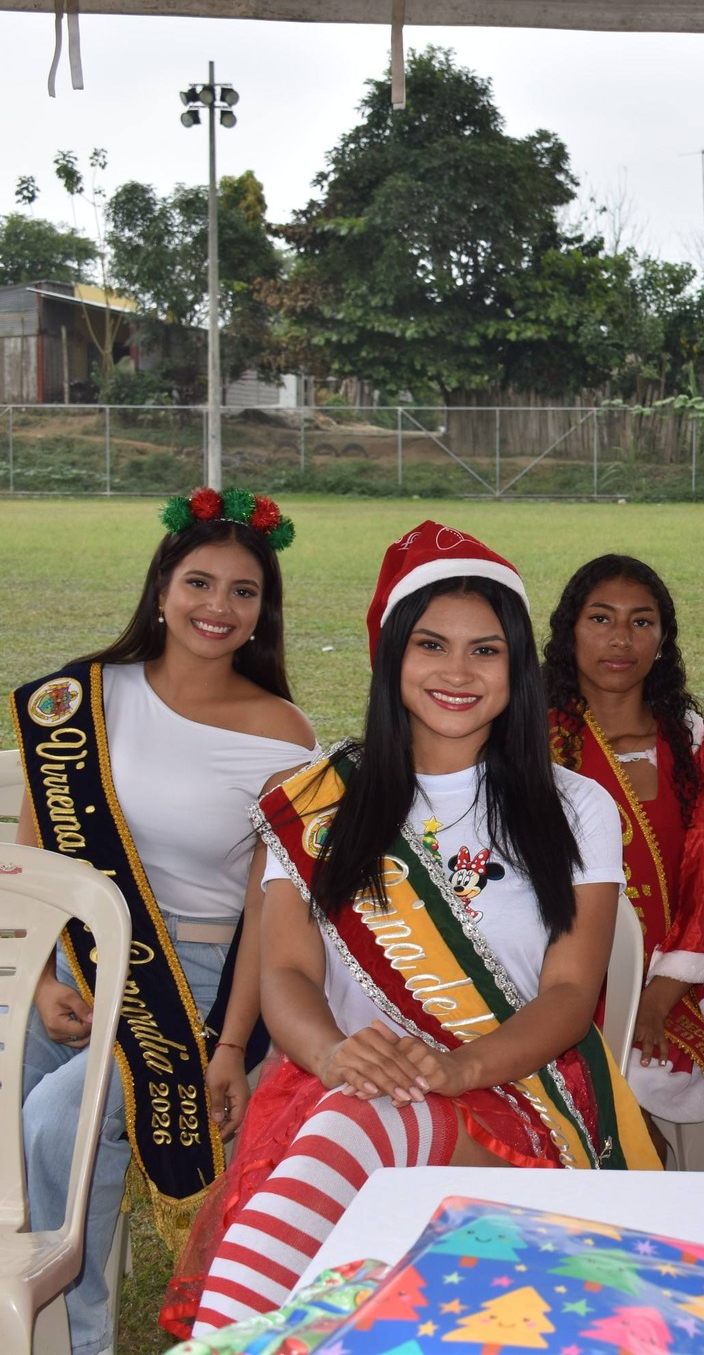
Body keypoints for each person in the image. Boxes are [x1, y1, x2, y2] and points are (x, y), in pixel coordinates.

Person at [181, 521, 658, 1334]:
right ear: (391, 655)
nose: (457, 672)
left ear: (518, 665)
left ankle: (224, 1341)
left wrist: (458, 1067)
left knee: (363, 1117)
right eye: (431, 644)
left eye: (485, 650)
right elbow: (286, 971)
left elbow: (572, 993)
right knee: (357, 1112)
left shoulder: (577, 806)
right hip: (337, 1079)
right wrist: (334, 1053)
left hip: (516, 1094)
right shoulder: (316, 799)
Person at [9, 487, 315, 1355]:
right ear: (161, 589)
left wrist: (232, 1043)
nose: (219, 606)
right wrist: (40, 981)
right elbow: (38, 851)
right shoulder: (81, 699)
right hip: (71, 954)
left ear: (263, 612)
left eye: (244, 591)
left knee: (56, 1120)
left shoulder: (283, 734)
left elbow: (268, 908)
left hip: (194, 984)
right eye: (199, 583)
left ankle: (74, 1339)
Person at [544, 554, 704, 1170]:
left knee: (644, 1074)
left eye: (641, 622)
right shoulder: (526, 743)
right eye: (600, 619)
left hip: (670, 981)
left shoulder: (697, 751)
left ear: (662, 640)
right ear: (569, 631)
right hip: (543, 977)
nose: (621, 639)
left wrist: (657, 999)